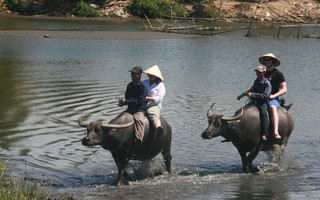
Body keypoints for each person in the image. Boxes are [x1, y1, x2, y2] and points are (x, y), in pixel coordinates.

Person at [237, 65, 271, 141]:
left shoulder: (267, 83)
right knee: (241, 111)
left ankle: (265, 133)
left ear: (264, 72)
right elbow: (251, 89)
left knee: (263, 114)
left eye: (260, 72)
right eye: (257, 72)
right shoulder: (256, 81)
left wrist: (252, 94)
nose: (258, 73)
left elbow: (265, 95)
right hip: (254, 102)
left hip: (262, 103)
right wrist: (241, 95)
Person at [259, 53, 286, 139]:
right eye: (265, 60)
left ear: (273, 61)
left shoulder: (278, 74)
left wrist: (274, 96)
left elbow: (284, 89)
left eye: (269, 60)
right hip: (262, 97)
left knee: (272, 108)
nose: (267, 61)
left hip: (273, 98)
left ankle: (275, 131)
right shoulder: (262, 72)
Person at [118, 66, 147, 143]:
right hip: (130, 109)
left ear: (139, 75)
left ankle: (139, 138)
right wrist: (123, 103)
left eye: (134, 74)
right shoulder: (129, 85)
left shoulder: (143, 87)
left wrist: (126, 101)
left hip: (140, 108)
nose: (132, 75)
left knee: (138, 119)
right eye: (132, 73)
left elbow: (140, 101)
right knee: (120, 117)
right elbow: (127, 98)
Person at [142, 65, 166, 135]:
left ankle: (158, 127)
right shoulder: (144, 82)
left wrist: (147, 98)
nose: (151, 76)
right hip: (143, 103)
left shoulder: (160, 85)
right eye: (150, 74)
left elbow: (159, 98)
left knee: (152, 114)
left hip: (154, 105)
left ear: (156, 76)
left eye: (153, 75)